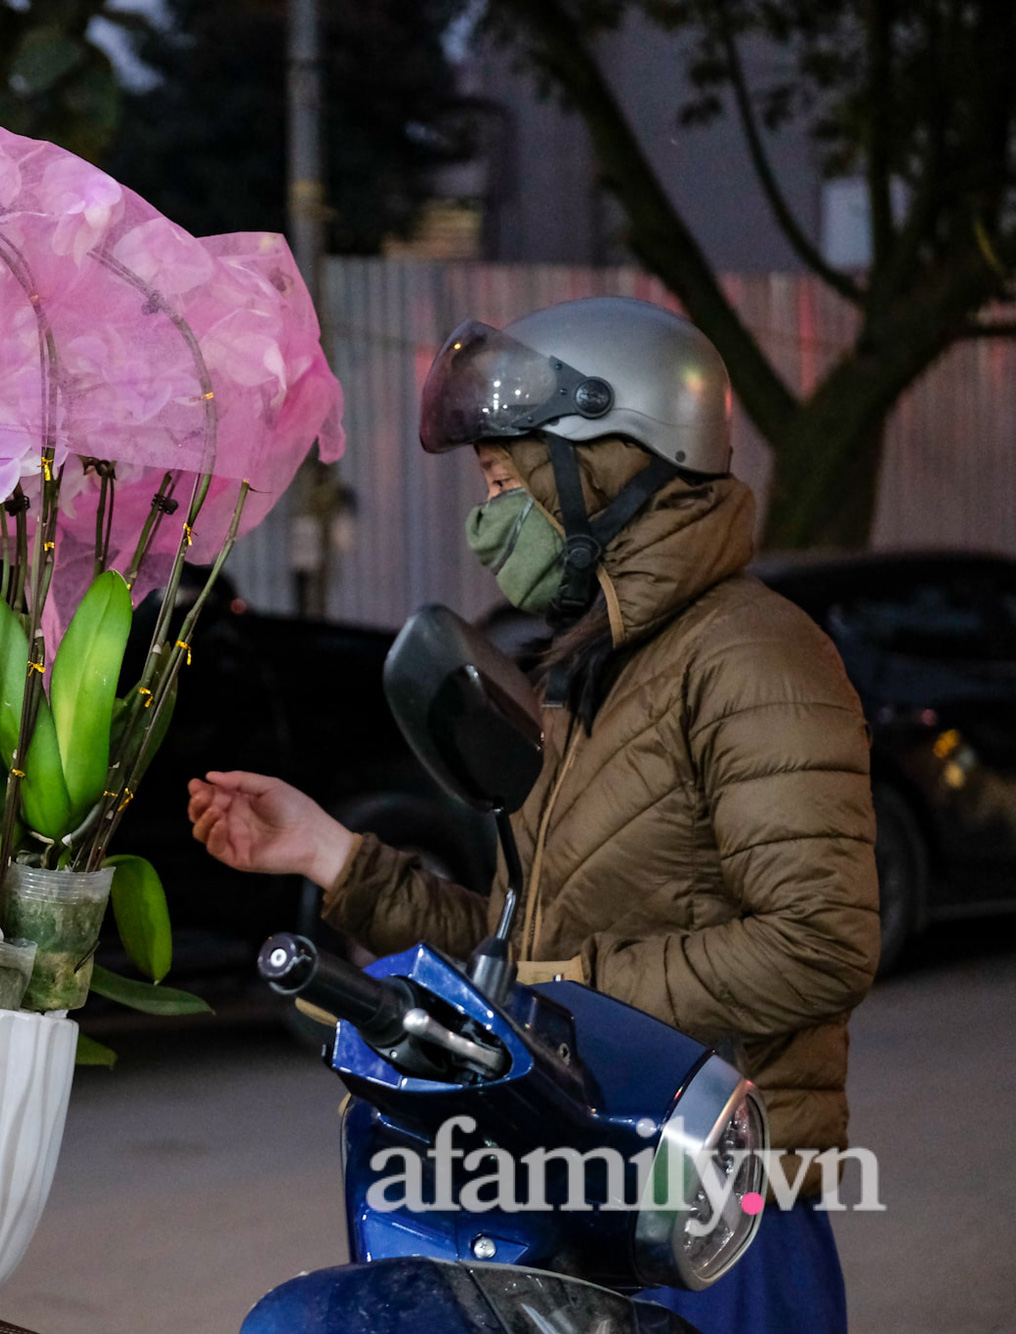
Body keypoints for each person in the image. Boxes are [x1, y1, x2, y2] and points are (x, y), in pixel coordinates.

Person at [189, 298, 879, 1334]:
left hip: (722, 1205)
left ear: (605, 463)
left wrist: (564, 1007)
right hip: (584, 1185)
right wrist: (328, 852)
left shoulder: (750, 654)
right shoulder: (585, 674)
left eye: (504, 480)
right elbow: (517, 957)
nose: (487, 513)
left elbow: (817, 940)